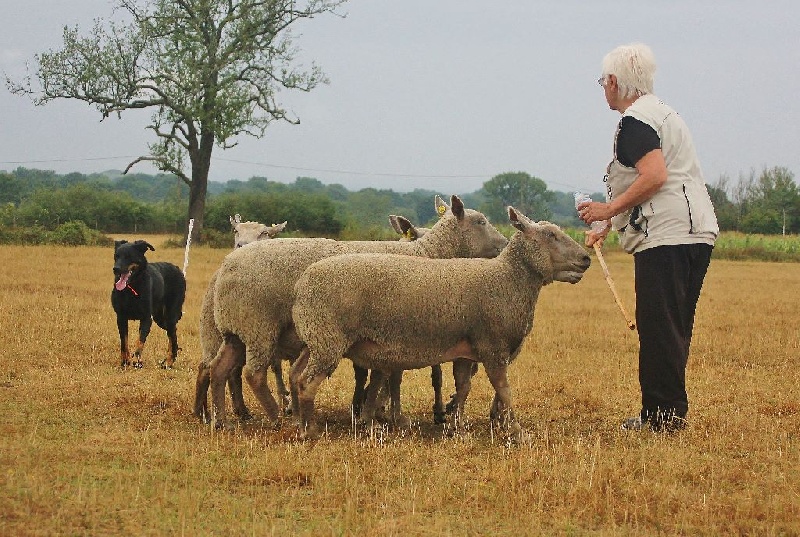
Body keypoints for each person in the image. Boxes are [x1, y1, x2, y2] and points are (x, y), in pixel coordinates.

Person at [577, 43, 719, 432]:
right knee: (673, 325)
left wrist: (607, 209)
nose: (603, 88)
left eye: (603, 81)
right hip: (696, 231)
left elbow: (654, 176)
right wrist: (611, 221)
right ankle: (669, 411)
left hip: (666, 235)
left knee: (658, 326)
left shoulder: (635, 123)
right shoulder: (665, 113)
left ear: (613, 82)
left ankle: (661, 417)